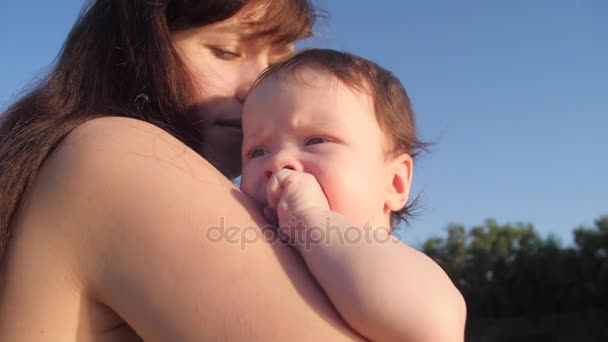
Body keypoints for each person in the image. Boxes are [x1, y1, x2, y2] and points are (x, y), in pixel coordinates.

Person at [0, 1, 369, 340]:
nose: (259, 88)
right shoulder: (123, 153)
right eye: (226, 51)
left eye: (277, 66)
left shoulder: (62, 159)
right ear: (132, 53)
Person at [240, 48, 467, 341]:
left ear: (395, 183)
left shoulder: (399, 267)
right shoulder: (253, 256)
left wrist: (312, 220)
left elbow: (432, 324)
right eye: (257, 151)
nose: (278, 162)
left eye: (316, 140)